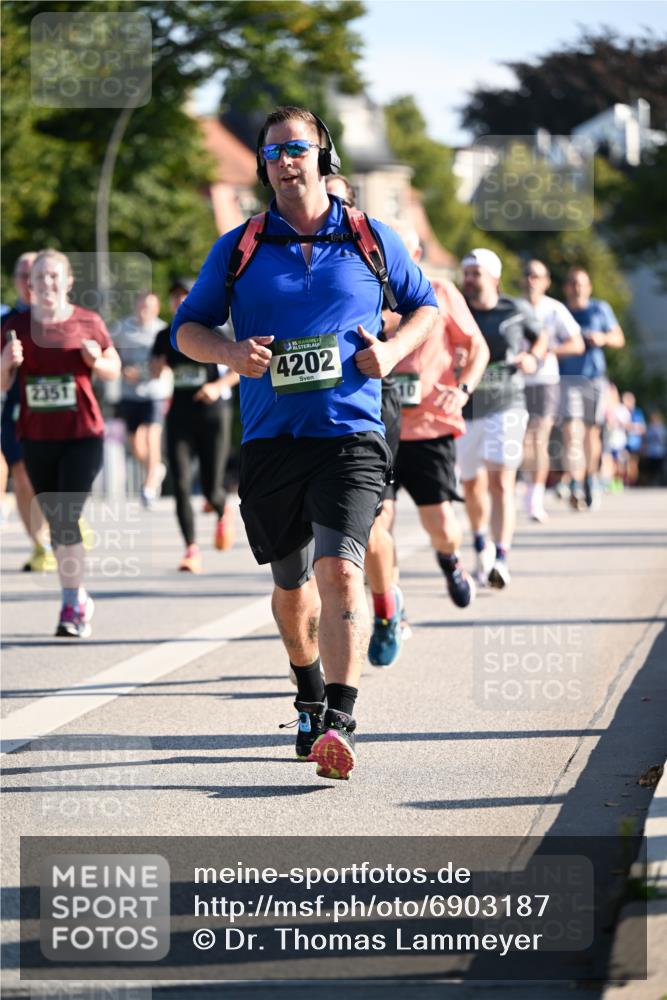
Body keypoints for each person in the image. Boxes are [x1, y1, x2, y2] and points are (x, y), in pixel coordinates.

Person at [172, 105, 438, 780]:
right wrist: (231, 353)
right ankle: (308, 691)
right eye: (271, 153)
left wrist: (394, 350)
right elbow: (187, 329)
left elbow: (425, 305)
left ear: (324, 158)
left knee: (340, 568)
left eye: (296, 148)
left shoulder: (371, 237)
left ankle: (341, 721)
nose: (284, 160)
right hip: (270, 438)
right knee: (292, 588)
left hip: (350, 432)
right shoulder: (240, 246)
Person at [0, 249, 121, 636]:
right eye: (39, 278)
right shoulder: (14, 327)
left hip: (83, 435)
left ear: (67, 282)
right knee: (56, 520)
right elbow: (2, 385)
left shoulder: (87, 321)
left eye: (55, 277)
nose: (47, 284)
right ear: (29, 284)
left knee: (65, 515)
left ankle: (70, 605)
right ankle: (78, 595)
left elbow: (113, 368)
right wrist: (6, 364)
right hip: (36, 436)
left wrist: (95, 362)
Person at [387, 224, 489, 617]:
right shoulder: (369, 295)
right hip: (380, 427)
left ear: (415, 256)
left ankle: (451, 561)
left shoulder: (441, 292)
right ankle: (389, 602)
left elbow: (475, 345)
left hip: (430, 426)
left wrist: (463, 389)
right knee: (380, 523)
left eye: (401, 252)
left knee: (442, 526)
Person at [458, 248, 547, 589]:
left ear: (493, 277)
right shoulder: (459, 311)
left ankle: (501, 559)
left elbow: (541, 338)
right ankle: (481, 543)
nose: (469, 279)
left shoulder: (515, 309)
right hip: (466, 408)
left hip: (507, 403)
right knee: (472, 484)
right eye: (466, 272)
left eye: (475, 273)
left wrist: (532, 357)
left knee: (500, 482)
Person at [152, 278, 239, 573]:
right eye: (174, 297)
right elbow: (154, 371)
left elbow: (238, 370)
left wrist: (216, 387)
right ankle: (191, 549)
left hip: (213, 415)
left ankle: (222, 507)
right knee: (179, 484)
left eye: (184, 296)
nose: (178, 301)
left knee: (211, 487)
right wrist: (154, 368)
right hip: (179, 416)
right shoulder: (165, 335)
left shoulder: (214, 330)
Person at [0, 252, 56, 571]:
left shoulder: (67, 317)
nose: (27, 281)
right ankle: (40, 544)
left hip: (60, 412)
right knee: (22, 475)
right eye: (21, 275)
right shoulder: (6, 323)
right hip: (19, 409)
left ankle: (63, 520)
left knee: (52, 477)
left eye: (31, 273)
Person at [519, 259, 584, 522]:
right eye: (528, 275)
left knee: (539, 438)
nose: (532, 280)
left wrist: (548, 350)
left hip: (545, 381)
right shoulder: (513, 306)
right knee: (521, 441)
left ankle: (534, 498)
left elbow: (577, 344)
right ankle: (525, 489)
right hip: (517, 381)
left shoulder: (554, 309)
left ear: (546, 282)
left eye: (537, 276)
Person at [560, 267, 625, 510]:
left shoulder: (600, 309)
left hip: (594, 378)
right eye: (573, 283)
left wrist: (603, 339)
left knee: (591, 433)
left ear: (588, 287)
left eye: (581, 283)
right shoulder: (561, 311)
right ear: (567, 287)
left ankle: (589, 477)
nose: (577, 287)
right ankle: (574, 481)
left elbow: (619, 338)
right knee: (571, 431)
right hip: (566, 378)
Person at [113, 291, 169, 508]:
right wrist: (121, 368)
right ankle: (156, 469)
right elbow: (111, 351)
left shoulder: (161, 330)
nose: (145, 310)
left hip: (155, 392)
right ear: (136, 306)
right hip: (129, 393)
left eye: (150, 306)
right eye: (142, 305)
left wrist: (144, 374)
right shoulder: (122, 329)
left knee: (151, 436)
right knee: (135, 444)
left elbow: (165, 362)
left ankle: (148, 488)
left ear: (156, 308)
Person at [621, 391, 646, 486]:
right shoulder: (621, 411)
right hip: (622, 442)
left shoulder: (637, 412)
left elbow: (643, 428)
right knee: (621, 462)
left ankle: (631, 482)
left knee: (633, 463)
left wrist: (631, 427)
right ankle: (622, 480)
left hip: (634, 442)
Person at [641, 411, 666, 486]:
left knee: (659, 468)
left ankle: (659, 481)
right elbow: (646, 439)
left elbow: (663, 439)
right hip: (651, 451)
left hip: (660, 451)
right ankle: (652, 481)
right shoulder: (649, 428)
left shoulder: (662, 428)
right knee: (651, 468)